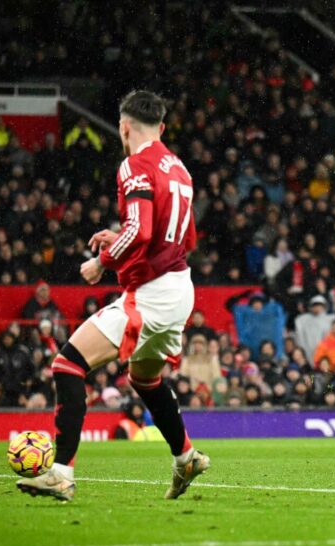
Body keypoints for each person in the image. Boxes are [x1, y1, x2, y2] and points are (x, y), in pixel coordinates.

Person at [16, 90, 209, 502]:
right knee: (144, 378)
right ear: (161, 127)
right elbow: (179, 237)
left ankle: (61, 474)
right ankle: (186, 456)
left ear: (124, 127)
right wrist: (121, 238)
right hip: (180, 287)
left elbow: (140, 232)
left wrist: (103, 260)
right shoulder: (179, 170)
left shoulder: (133, 165)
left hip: (152, 294)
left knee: (67, 364)